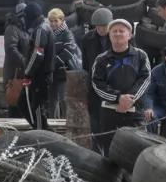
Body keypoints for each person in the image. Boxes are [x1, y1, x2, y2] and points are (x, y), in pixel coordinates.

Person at [91, 19, 151, 155]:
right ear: (109, 35)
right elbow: (97, 83)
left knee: (138, 151)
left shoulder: (141, 56)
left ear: (129, 35)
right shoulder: (101, 59)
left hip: (135, 111)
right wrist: (118, 98)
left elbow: (145, 79)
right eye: (114, 31)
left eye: (121, 31)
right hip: (109, 112)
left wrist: (129, 100)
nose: (118, 34)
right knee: (110, 153)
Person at [18, 2, 55, 131]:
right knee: (23, 103)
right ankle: (45, 130)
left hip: (39, 76)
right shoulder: (42, 27)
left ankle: (41, 134)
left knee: (37, 107)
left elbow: (38, 54)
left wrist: (27, 74)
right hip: (38, 75)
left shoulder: (40, 29)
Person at [80, 8, 113, 153]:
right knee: (95, 122)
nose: (100, 29)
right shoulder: (87, 39)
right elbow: (86, 63)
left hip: (113, 85)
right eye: (97, 26)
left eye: (104, 26)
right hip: (94, 85)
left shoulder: (119, 36)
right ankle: (97, 153)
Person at [48, 8, 80, 119]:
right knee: (52, 100)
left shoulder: (67, 33)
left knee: (64, 99)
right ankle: (52, 122)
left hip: (64, 72)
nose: (53, 24)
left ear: (62, 20)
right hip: (52, 72)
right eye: (51, 21)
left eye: (56, 21)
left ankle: (67, 122)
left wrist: (53, 61)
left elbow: (68, 51)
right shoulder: (49, 33)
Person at [3, 3, 28, 118]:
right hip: (14, 73)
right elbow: (11, 49)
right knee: (15, 103)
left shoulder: (24, 29)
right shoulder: (12, 29)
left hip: (23, 72)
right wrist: (24, 62)